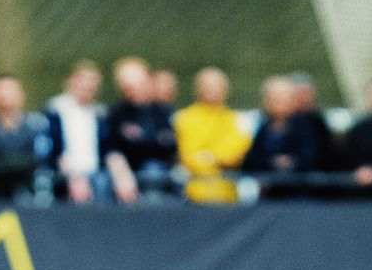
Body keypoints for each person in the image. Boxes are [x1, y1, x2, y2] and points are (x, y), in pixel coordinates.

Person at [175, 67, 251, 204]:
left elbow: (234, 156)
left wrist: (207, 157)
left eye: (217, 86)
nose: (212, 91)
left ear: (226, 89)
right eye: (207, 86)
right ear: (197, 89)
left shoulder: (236, 120)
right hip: (194, 196)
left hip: (228, 196)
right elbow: (188, 157)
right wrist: (216, 158)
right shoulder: (184, 118)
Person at [106, 57, 178, 194]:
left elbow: (169, 144)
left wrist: (140, 140)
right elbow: (115, 146)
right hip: (126, 170)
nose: (132, 89)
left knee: (153, 170)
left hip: (157, 168)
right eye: (127, 85)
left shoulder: (161, 111)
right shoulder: (117, 113)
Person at [243, 75, 321, 198]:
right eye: (272, 97)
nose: (275, 102)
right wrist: (272, 164)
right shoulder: (263, 128)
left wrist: (290, 163)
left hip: (299, 197)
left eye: (280, 98)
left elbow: (312, 158)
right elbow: (250, 161)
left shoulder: (306, 125)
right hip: (269, 197)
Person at [0, 76, 49, 200]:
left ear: (21, 96)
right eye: (1, 90)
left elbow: (39, 160)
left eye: (10, 90)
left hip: (26, 195)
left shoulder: (35, 127)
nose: (4, 95)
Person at [46, 61, 111, 204]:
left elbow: (108, 149)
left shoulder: (99, 114)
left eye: (92, 85)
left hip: (96, 174)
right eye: (83, 83)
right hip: (64, 175)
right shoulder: (56, 111)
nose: (87, 88)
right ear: (71, 82)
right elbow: (53, 150)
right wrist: (74, 177)